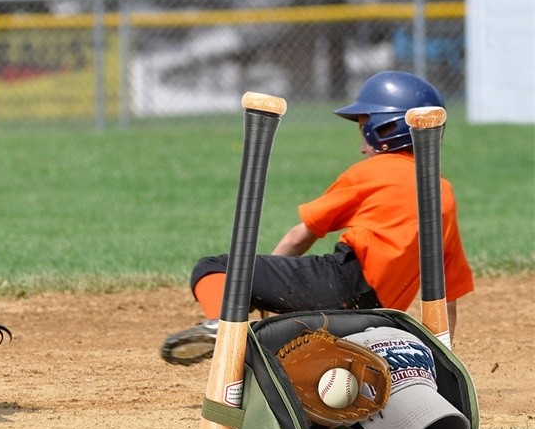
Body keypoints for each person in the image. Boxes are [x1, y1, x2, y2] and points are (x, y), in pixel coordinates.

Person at [161, 70, 474, 366]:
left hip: (340, 282)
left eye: (364, 129)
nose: (363, 147)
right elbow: (447, 293)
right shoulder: (443, 193)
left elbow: (302, 235)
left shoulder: (371, 171)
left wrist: (248, 286)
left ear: (385, 128)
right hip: (376, 317)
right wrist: (443, 358)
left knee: (215, 267)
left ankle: (223, 327)